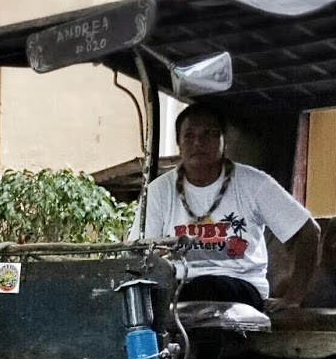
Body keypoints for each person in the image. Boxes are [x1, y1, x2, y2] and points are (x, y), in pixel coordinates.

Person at [132, 104, 321, 308]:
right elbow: (136, 252)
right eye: (189, 135)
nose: (198, 142)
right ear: (179, 143)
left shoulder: (254, 183)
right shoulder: (159, 190)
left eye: (208, 134)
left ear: (224, 141)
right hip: (177, 287)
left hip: (241, 287)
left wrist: (293, 298)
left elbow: (308, 231)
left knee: (205, 288)